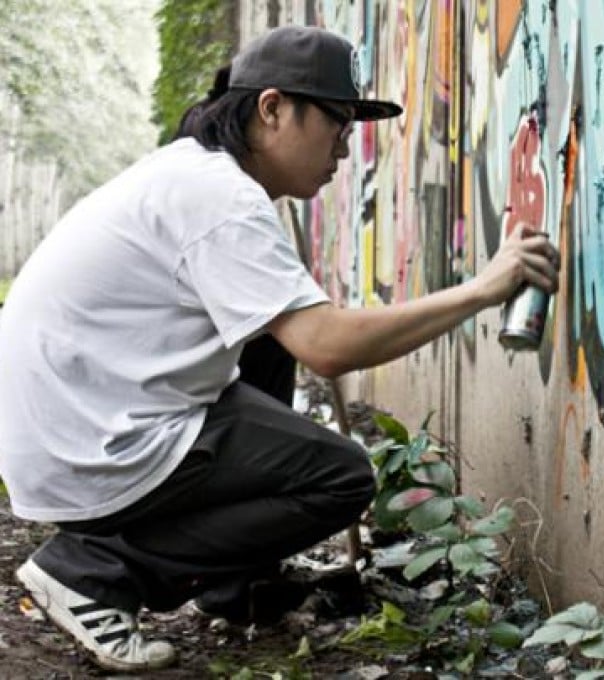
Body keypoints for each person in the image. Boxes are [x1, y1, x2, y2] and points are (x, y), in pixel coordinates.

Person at [0, 26, 559, 672]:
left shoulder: (198, 175)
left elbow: (299, 334)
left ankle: (236, 584)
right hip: (85, 440)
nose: (344, 152)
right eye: (337, 127)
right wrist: (483, 290)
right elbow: (327, 347)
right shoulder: (222, 200)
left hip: (74, 415)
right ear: (271, 109)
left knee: (271, 333)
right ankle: (96, 572)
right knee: (340, 477)